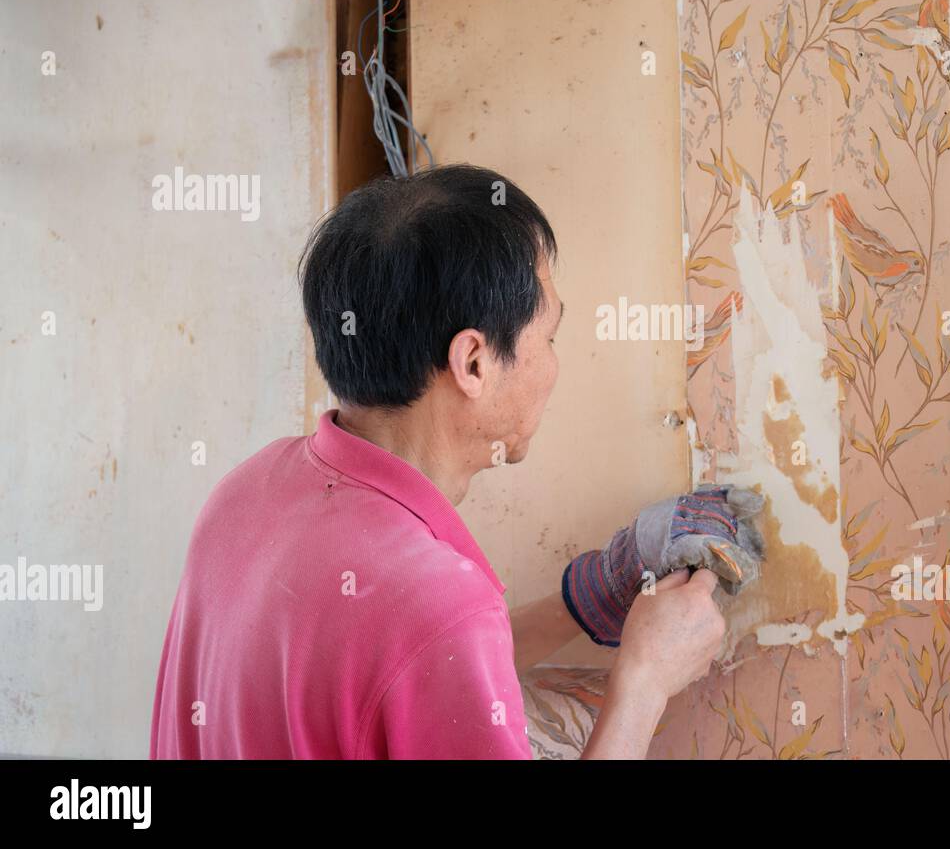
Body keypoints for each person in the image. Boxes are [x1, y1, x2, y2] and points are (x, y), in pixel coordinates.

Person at [150, 163, 761, 759]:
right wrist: (643, 683)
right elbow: (428, 639)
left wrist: (592, 593)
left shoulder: (247, 492)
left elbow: (414, 671)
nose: (552, 364)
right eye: (548, 337)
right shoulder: (433, 601)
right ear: (473, 362)